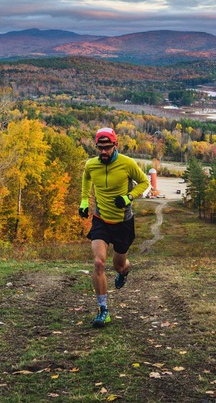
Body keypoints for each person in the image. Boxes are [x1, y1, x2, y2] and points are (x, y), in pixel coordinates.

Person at [79, 127, 150, 328]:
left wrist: (128, 197)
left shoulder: (127, 163)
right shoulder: (91, 165)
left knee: (119, 264)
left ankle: (124, 271)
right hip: (101, 220)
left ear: (115, 145)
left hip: (123, 223)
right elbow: (86, 177)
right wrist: (84, 201)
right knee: (99, 262)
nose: (103, 152)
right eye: (100, 148)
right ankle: (103, 311)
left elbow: (144, 183)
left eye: (107, 148)